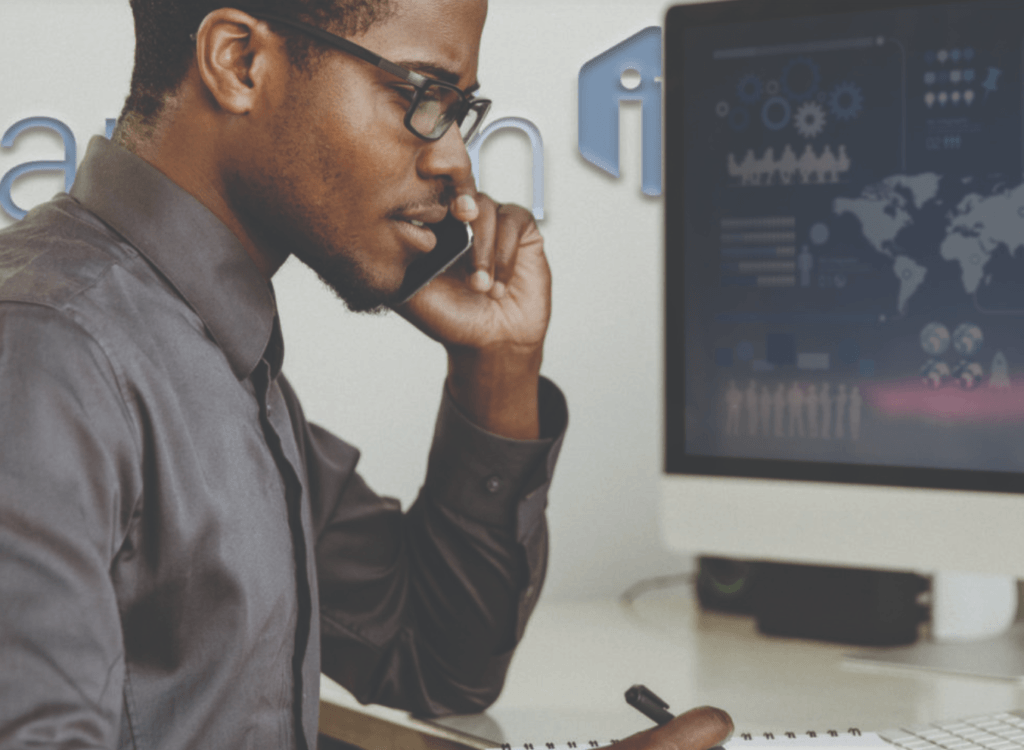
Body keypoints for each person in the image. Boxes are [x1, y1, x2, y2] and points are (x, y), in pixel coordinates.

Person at [0, 1, 733, 749]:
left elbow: (435, 660)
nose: (455, 162)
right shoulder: (50, 353)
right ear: (239, 63)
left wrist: (500, 366)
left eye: (459, 112)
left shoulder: (207, 357)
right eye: (421, 95)